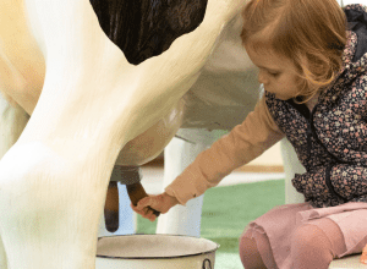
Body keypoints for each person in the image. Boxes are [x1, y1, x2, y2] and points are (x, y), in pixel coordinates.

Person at [132, 1, 367, 268]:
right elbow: (232, 149)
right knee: (254, 240)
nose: (261, 79)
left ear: (311, 62)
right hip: (327, 205)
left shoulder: (362, 86)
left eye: (273, 71)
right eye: (259, 68)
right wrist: (172, 195)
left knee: (310, 240)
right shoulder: (279, 104)